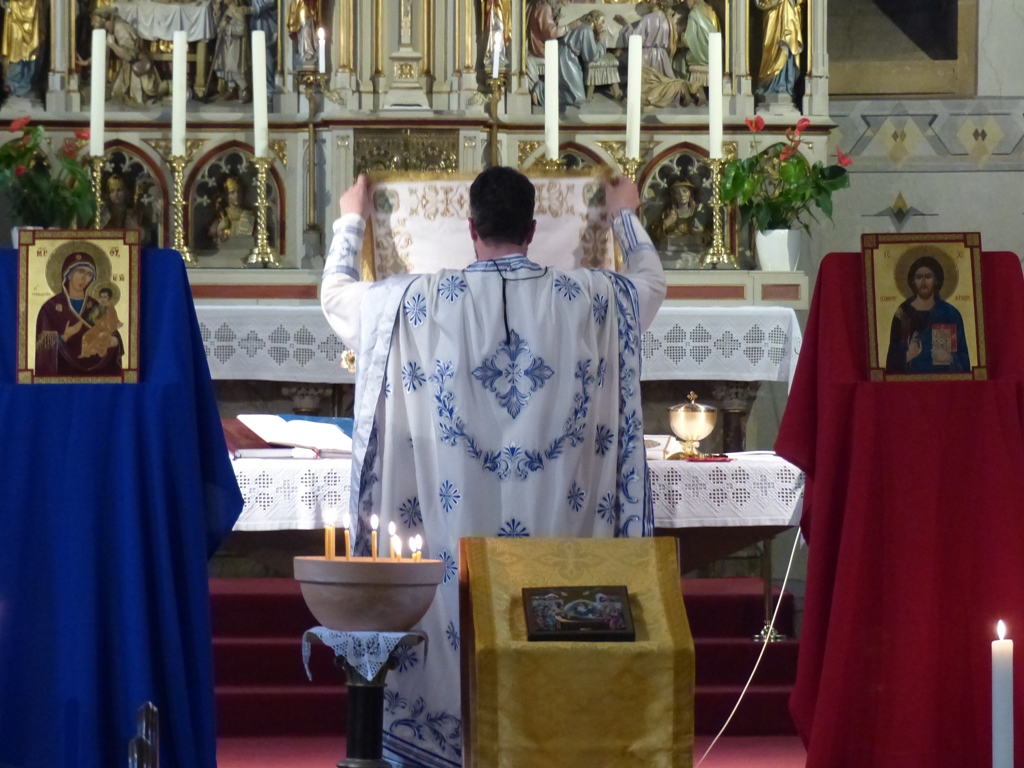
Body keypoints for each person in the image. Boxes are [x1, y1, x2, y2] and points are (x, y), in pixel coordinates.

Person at [320, 167, 665, 767]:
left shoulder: (415, 300)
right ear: (532, 229)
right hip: (555, 527)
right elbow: (650, 286)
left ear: (470, 228)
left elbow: (337, 298)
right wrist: (624, 215)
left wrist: (351, 218)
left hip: (458, 535)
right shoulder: (590, 297)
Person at [35, 252, 123, 377]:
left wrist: (114, 339)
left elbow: (112, 330)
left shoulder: (97, 306)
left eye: (89, 274)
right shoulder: (50, 308)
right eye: (80, 271)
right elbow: (42, 351)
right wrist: (65, 336)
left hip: (99, 372)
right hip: (62, 373)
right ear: (68, 274)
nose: (84, 278)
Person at [885, 255, 971, 374]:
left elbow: (965, 362)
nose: (923, 282)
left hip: (944, 383)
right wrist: (908, 355)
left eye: (928, 277)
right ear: (913, 281)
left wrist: (950, 358)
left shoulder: (950, 313)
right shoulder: (903, 313)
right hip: (909, 383)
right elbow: (891, 362)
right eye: (919, 277)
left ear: (936, 280)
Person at [93, 8, 166, 106]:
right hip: (127, 68)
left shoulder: (120, 29)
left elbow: (130, 56)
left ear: (104, 19)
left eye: (94, 19)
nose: (92, 23)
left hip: (137, 69)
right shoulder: (114, 29)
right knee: (116, 92)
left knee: (137, 98)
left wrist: (113, 45)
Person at [535, 10, 609, 108]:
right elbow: (591, 57)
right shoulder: (586, 30)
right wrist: (601, 43)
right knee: (576, 97)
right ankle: (540, 91)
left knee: (567, 89)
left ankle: (542, 91)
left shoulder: (581, 24)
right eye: (602, 22)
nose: (604, 25)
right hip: (566, 59)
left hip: (563, 54)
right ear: (595, 20)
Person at [756, 0, 803, 97]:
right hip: (772, 11)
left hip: (789, 11)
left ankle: (786, 84)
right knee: (772, 47)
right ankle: (769, 83)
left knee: (788, 44)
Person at [212, 0, 251, 100]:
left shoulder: (236, 11)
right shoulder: (227, 11)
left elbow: (242, 29)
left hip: (234, 44)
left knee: (232, 66)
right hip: (226, 44)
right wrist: (217, 13)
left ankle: (245, 88)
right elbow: (219, 26)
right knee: (226, 66)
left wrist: (228, 29)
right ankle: (231, 88)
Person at [1, 0, 41, 97]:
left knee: (28, 53)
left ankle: (24, 84)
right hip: (15, 18)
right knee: (15, 51)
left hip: (29, 13)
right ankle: (12, 83)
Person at [79, 283, 123, 360]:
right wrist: (94, 315)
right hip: (97, 328)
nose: (102, 299)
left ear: (108, 298)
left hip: (107, 329)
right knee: (85, 337)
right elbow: (90, 319)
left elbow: (114, 319)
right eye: (101, 297)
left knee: (101, 336)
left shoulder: (110, 307)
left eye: (105, 297)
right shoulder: (97, 307)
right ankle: (85, 354)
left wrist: (117, 323)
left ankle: (99, 352)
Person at [208, 176, 256, 246]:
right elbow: (211, 236)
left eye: (239, 192)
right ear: (226, 195)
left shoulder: (250, 214)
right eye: (232, 192)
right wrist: (219, 231)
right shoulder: (222, 214)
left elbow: (257, 235)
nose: (236, 195)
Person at [285, 0, 317, 69]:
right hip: (298, 5)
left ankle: (309, 52)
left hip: (306, 6)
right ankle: (302, 52)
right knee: (300, 30)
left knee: (306, 28)